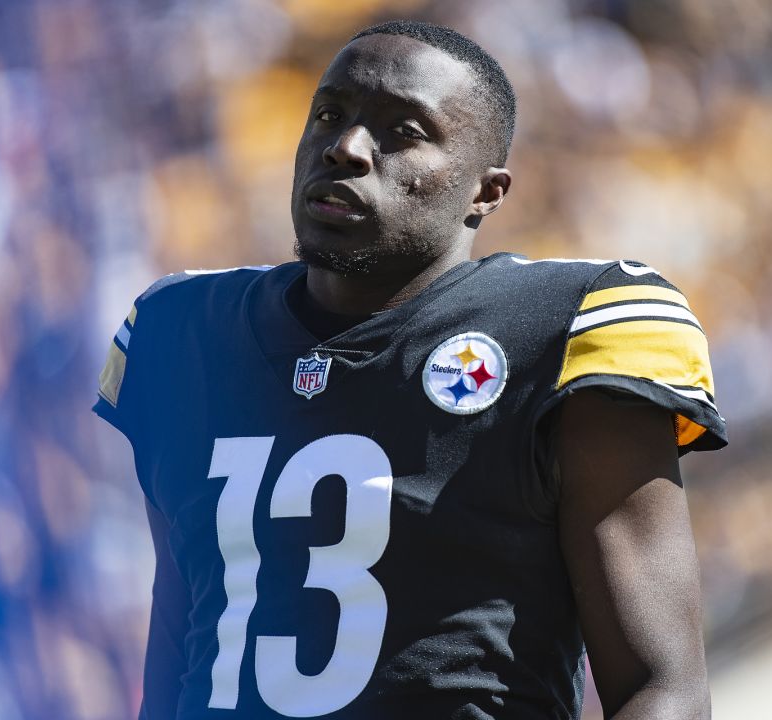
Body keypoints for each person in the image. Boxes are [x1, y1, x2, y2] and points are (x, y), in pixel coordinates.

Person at [94, 19, 726, 720]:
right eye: (330, 115)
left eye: (403, 130)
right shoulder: (180, 332)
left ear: (485, 193)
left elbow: (663, 690)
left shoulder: (566, 327)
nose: (345, 148)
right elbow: (184, 646)